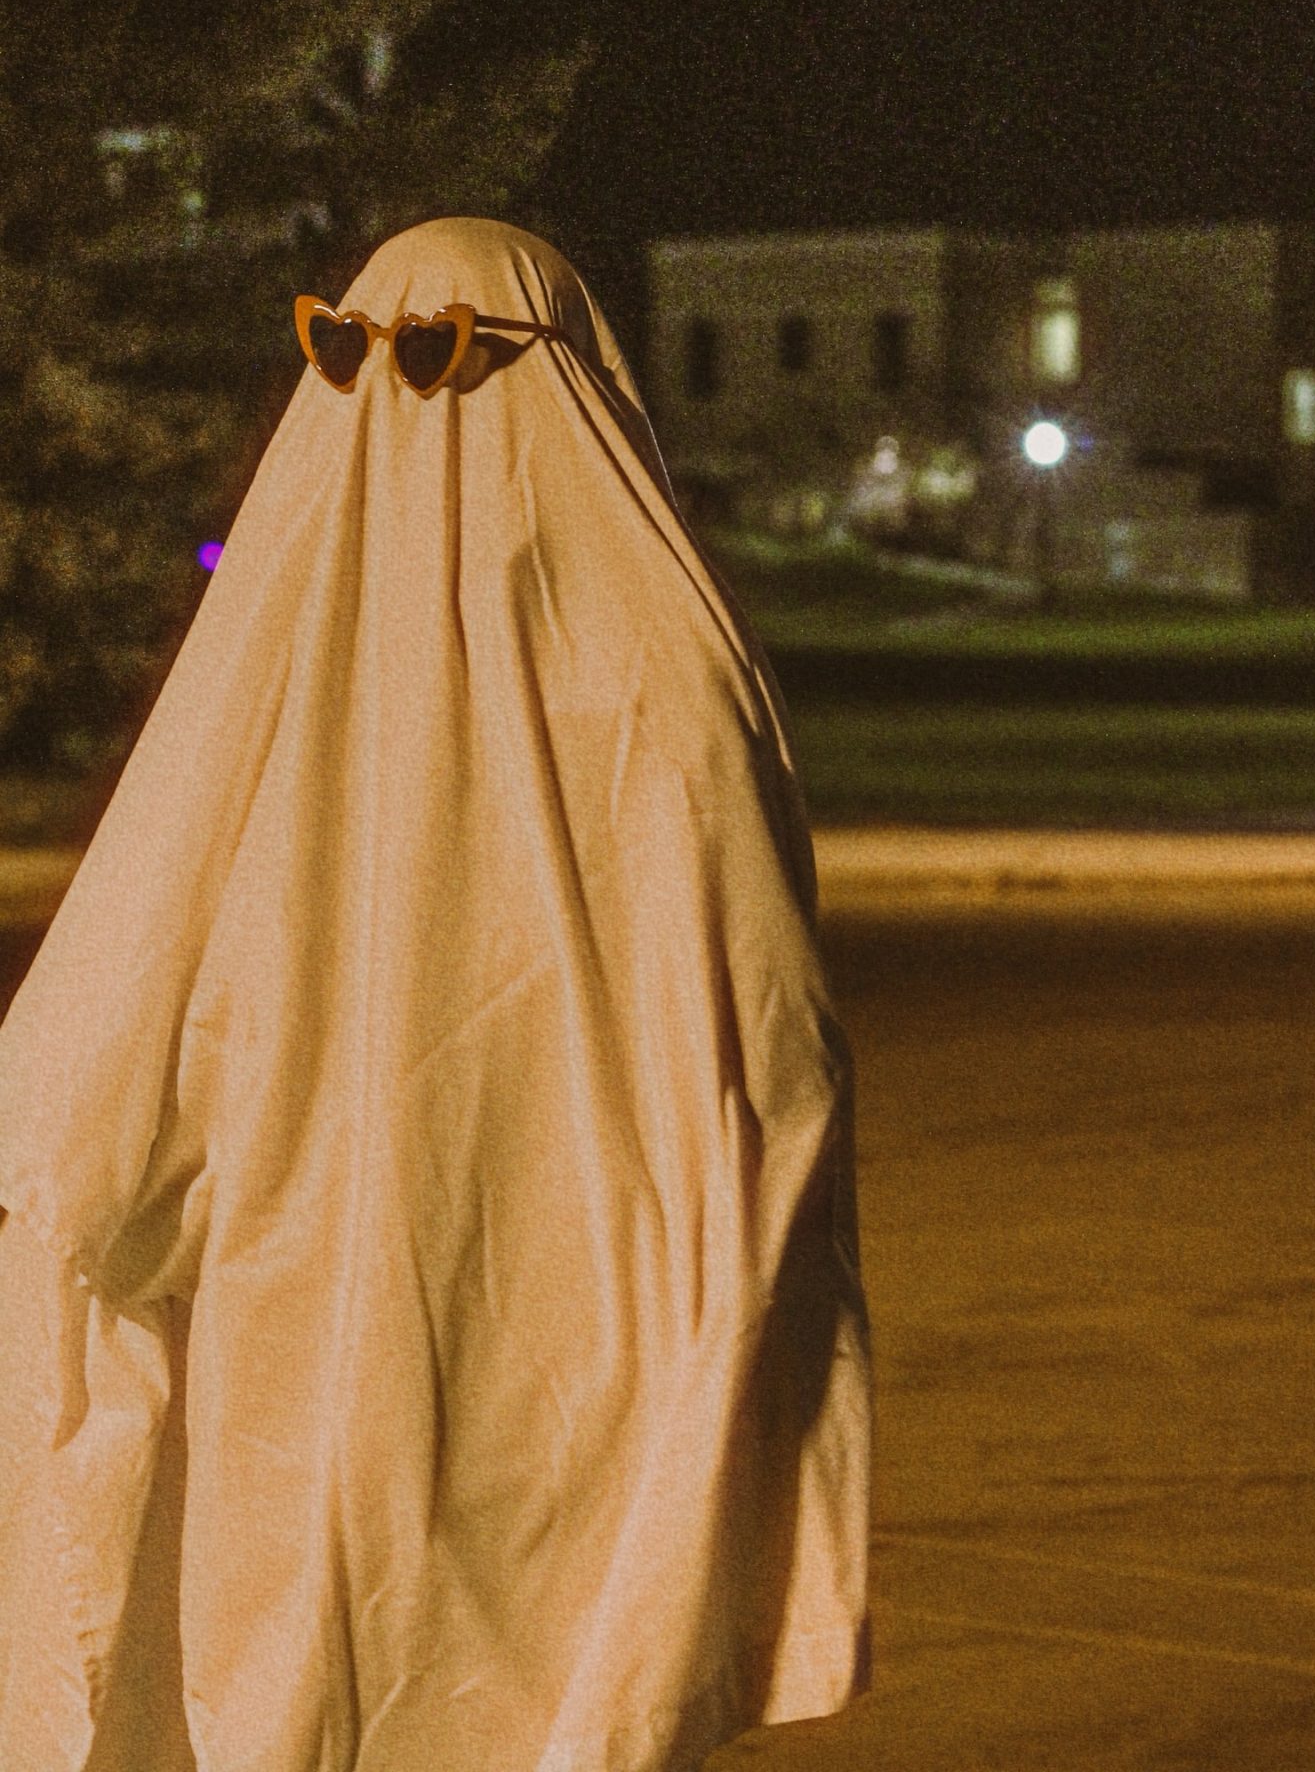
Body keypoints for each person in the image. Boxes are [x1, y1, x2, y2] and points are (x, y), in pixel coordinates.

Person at [0, 217, 872, 1772]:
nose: (407, 409)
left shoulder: (634, 700)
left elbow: (755, 1040)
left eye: (436, 362)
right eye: (351, 356)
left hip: (517, 1334)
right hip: (437, 1334)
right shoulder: (641, 689)